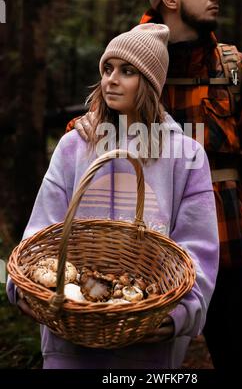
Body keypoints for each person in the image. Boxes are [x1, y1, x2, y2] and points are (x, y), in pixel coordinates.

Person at [72, 0, 242, 369]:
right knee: (140, 356)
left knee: (238, 350)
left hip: (227, 238)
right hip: (149, 239)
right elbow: (97, 121)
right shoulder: (135, 63)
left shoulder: (236, 69)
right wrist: (84, 122)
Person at [7, 23, 219, 369]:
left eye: (127, 71)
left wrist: (181, 314)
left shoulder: (187, 155)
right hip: (69, 337)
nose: (111, 79)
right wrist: (22, 287)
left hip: (146, 341)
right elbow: (42, 228)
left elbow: (199, 248)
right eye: (107, 69)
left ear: (150, 82)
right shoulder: (75, 145)